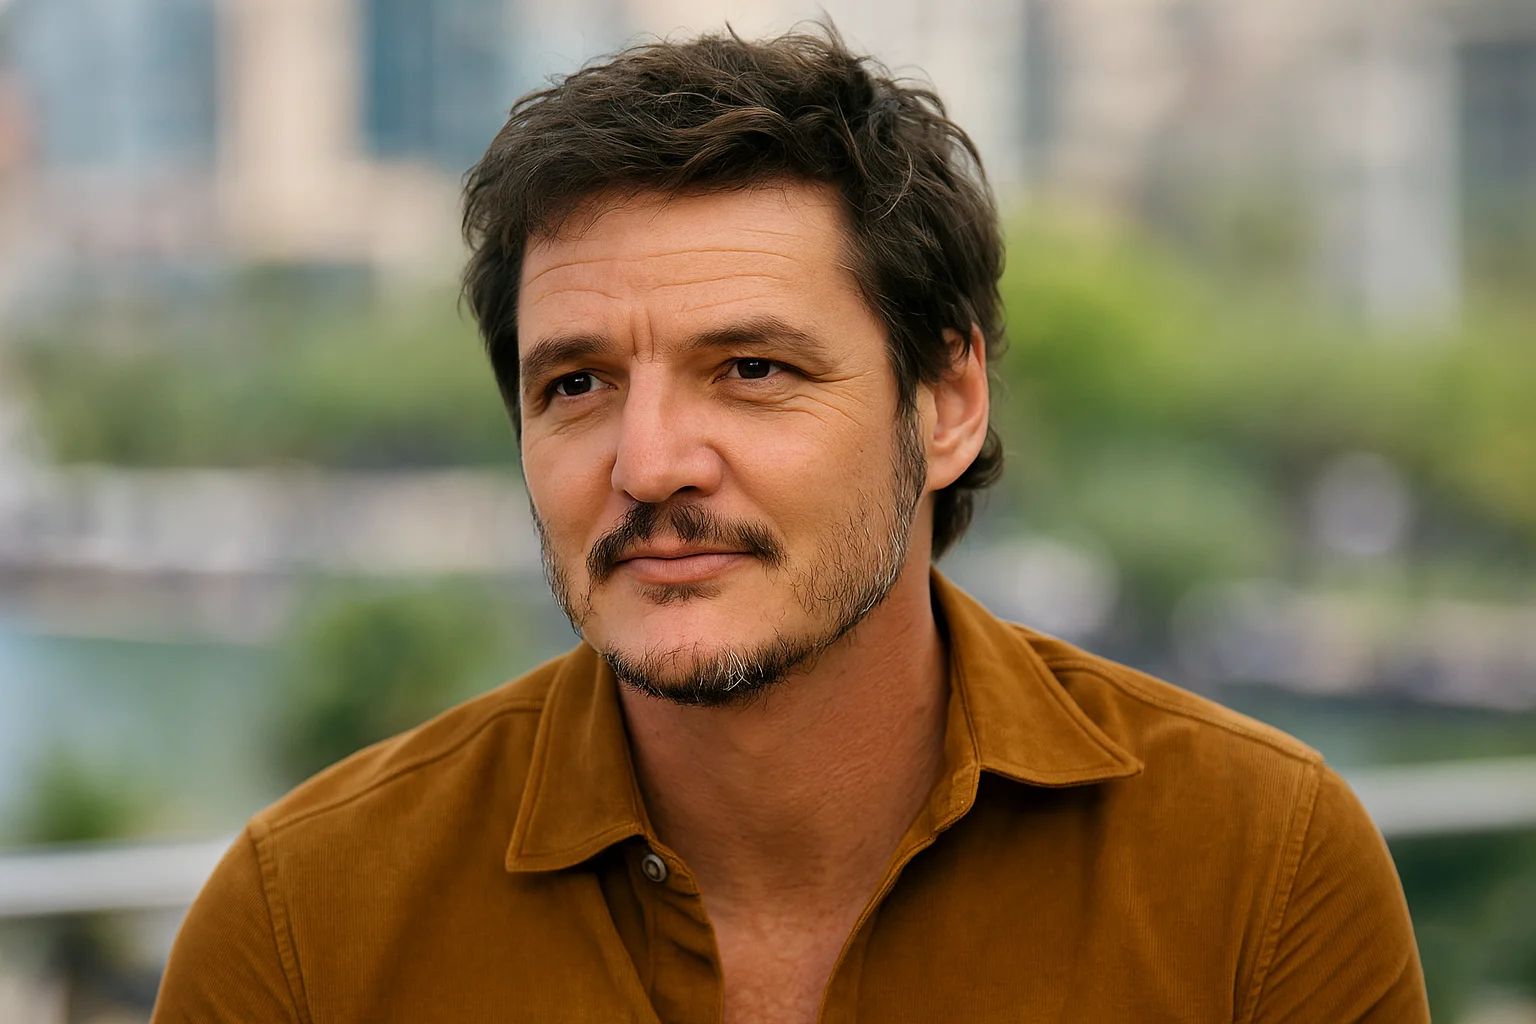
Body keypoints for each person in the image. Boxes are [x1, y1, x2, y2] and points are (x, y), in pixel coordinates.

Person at [152, 27, 1429, 1024]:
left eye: (752, 368)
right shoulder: (305, 926)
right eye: (576, 384)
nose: (647, 464)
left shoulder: (1261, 869)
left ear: (947, 401)